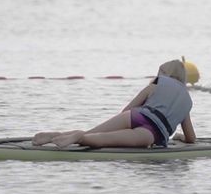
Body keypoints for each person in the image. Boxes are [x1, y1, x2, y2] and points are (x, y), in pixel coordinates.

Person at [33, 59, 196, 149]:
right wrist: (180, 137)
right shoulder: (186, 101)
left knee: (92, 132)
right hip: (150, 133)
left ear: (165, 75)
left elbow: (126, 110)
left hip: (134, 116)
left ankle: (56, 136)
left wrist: (126, 123)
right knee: (102, 140)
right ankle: (79, 137)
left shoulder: (154, 86)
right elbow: (191, 138)